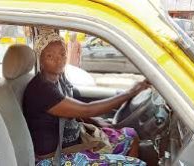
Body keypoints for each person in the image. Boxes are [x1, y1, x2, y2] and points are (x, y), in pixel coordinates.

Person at [23, 32, 148, 165]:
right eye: (50, 56)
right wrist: (130, 92)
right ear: (40, 60)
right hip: (55, 158)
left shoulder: (58, 80)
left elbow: (75, 112)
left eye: (62, 53)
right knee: (136, 164)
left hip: (76, 143)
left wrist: (98, 124)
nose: (58, 59)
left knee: (130, 135)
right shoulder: (41, 89)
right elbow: (87, 110)